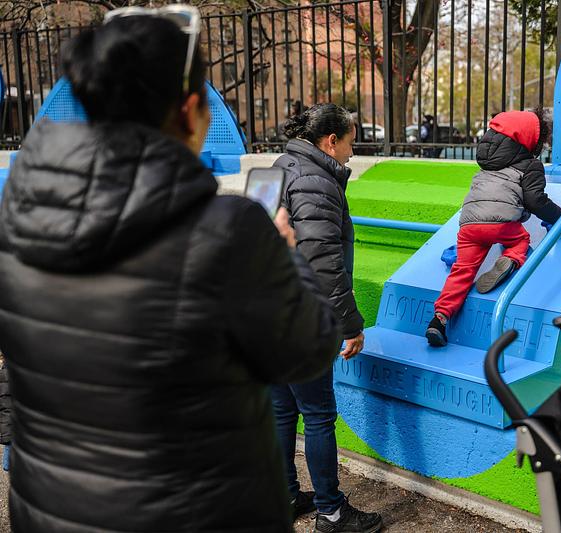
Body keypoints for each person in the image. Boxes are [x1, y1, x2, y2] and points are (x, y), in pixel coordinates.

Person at [0, 8, 341, 532]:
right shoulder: (227, 230)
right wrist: (285, 252)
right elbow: (308, 349)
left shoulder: (21, 220)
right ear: (189, 110)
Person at [271, 103, 382, 533]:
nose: (352, 153)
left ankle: (284, 497)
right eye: (351, 143)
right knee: (317, 415)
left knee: (282, 411)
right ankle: (332, 514)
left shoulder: (281, 167)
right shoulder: (317, 180)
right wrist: (351, 325)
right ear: (331, 141)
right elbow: (323, 264)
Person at [426, 110, 561, 347]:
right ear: (530, 140)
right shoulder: (530, 165)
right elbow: (536, 200)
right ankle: (510, 260)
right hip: (501, 224)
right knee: (520, 240)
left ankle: (439, 319)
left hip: (469, 224)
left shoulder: (486, 165)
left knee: (462, 270)